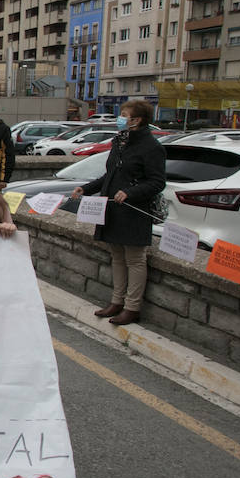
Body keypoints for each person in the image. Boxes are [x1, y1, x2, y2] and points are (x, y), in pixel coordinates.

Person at [69, 98, 166, 327]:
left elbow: (157, 182)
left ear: (137, 120)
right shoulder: (119, 142)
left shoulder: (152, 147)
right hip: (112, 208)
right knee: (117, 257)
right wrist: (87, 188)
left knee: (135, 259)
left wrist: (131, 192)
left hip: (134, 211)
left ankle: (132, 307)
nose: (120, 119)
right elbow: (109, 175)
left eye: (124, 114)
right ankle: (116, 301)